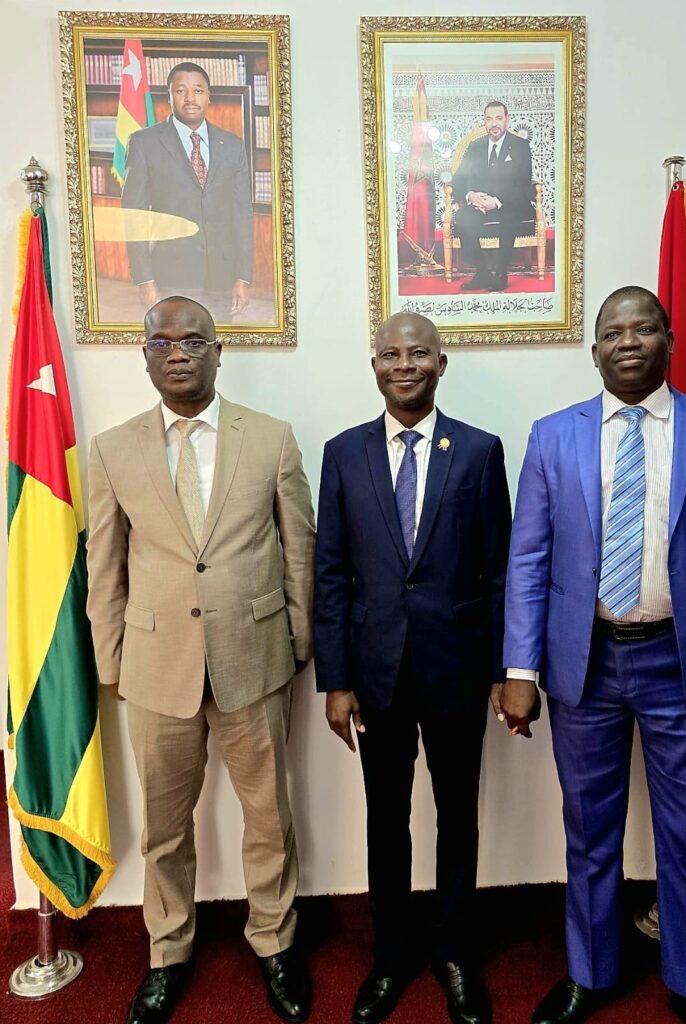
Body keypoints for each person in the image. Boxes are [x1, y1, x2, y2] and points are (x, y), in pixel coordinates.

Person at [500, 286, 686, 1024]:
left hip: (680, 663)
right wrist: (520, 671)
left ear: (667, 341)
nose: (628, 341)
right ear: (593, 350)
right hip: (581, 665)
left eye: (643, 328)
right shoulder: (552, 436)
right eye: (612, 332)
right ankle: (590, 975)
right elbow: (527, 560)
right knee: (588, 828)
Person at [86, 296, 315, 1024]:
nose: (178, 351)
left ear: (220, 351)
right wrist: (111, 663)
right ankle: (167, 950)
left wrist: (299, 643)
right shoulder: (112, 449)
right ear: (145, 356)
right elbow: (104, 566)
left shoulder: (272, 438)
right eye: (162, 341)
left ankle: (275, 942)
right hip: (154, 667)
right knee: (164, 825)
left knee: (269, 816)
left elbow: (299, 549)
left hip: (255, 660)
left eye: (194, 340)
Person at [314, 312, 511, 1024]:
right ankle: (391, 955)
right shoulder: (344, 453)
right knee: (384, 819)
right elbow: (330, 575)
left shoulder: (480, 452)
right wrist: (334, 680)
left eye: (418, 352)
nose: (404, 364)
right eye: (391, 354)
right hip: (374, 676)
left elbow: (498, 574)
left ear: (440, 363)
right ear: (374, 365)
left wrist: (502, 668)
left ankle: (455, 953)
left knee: (457, 818)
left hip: (458, 671)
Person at [120, 62, 253, 322]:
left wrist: (243, 276)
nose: (190, 98)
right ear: (169, 96)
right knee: (175, 350)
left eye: (198, 90)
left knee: (214, 350)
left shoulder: (233, 146)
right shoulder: (143, 143)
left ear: (209, 96)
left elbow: (242, 214)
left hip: (222, 277)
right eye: (181, 91)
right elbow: (133, 215)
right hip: (170, 274)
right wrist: (145, 279)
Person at [451, 100, 533, 292]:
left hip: (511, 204)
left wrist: (496, 202)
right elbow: (458, 180)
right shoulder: (475, 146)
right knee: (463, 217)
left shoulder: (520, 146)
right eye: (489, 119)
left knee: (509, 215)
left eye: (498, 118)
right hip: (481, 205)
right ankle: (482, 272)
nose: (494, 123)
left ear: (507, 120)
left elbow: (523, 183)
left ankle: (501, 273)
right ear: (484, 122)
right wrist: (472, 196)